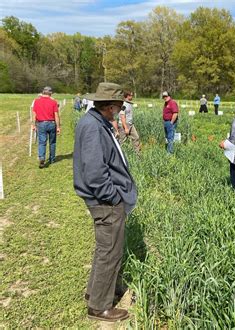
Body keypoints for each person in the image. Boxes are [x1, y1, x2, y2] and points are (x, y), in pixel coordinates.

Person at [73, 82, 137, 322]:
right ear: (110, 107)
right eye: (119, 107)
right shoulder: (93, 127)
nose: (120, 111)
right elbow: (95, 173)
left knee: (106, 249)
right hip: (105, 202)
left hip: (105, 200)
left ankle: (96, 292)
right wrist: (113, 197)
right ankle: (100, 307)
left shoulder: (95, 122)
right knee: (110, 251)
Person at [31, 86, 61, 168]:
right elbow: (56, 115)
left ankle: (42, 157)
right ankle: (52, 159)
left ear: (43, 92)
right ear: (50, 93)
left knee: (42, 142)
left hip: (41, 124)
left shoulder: (36, 101)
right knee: (52, 142)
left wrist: (33, 125)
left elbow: (34, 114)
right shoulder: (54, 102)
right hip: (51, 123)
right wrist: (58, 127)